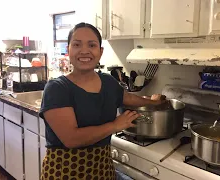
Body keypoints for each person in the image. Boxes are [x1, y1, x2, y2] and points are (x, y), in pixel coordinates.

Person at [39, 22, 165, 180]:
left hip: (102, 169)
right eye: (77, 44)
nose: (84, 50)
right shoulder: (57, 88)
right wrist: (115, 125)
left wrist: (153, 102)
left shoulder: (108, 82)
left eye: (92, 45)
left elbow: (129, 98)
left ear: (100, 51)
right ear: (68, 50)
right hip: (65, 171)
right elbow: (71, 138)